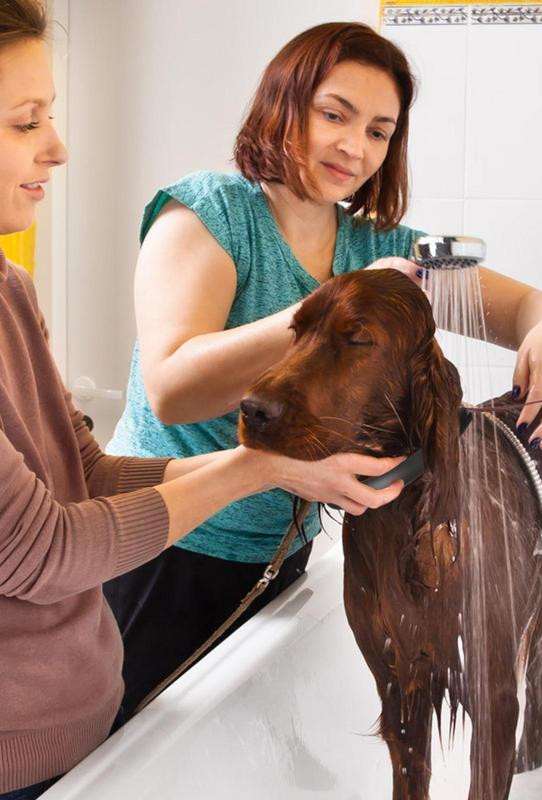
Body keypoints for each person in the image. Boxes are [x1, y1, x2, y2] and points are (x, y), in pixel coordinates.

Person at [103, 21, 542, 723]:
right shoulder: (206, 214)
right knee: (126, 769)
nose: (354, 147)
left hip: (280, 555)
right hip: (164, 546)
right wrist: (336, 303)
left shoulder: (382, 245)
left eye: (379, 132)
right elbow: (173, 388)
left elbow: (527, 308)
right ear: (284, 104)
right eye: (334, 114)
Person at [0, 5, 408, 799]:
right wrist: (263, 467)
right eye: (25, 122)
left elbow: (82, 471)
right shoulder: (209, 214)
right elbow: (43, 551)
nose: (59, 147)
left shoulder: (12, 290)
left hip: (80, 714)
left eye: (381, 130)